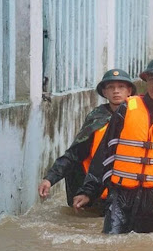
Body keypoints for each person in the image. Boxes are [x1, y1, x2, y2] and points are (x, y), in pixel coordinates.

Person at [72, 58, 153, 234]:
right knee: (111, 246)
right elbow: (104, 154)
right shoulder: (126, 109)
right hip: (121, 198)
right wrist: (88, 192)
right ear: (146, 81)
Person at [38, 69, 136, 208]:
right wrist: (49, 179)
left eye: (121, 87)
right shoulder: (96, 118)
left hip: (127, 191)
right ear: (104, 92)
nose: (116, 91)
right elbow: (74, 153)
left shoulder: (138, 118)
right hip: (96, 191)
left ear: (129, 91)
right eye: (111, 87)